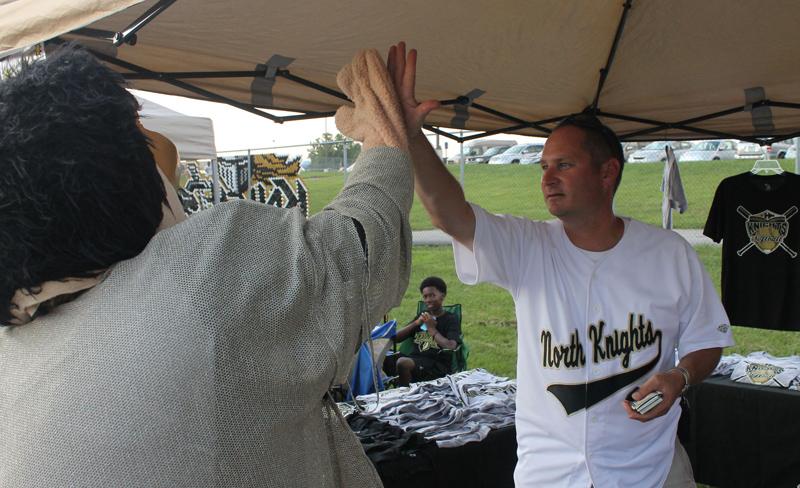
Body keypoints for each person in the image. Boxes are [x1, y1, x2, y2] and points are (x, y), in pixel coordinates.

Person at [0, 45, 434, 487]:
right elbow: (359, 245)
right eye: (139, 136)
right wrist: (384, 133)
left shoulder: (13, 353)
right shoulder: (202, 281)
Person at [385, 41, 734, 488]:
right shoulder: (528, 246)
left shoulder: (669, 254)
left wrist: (679, 376)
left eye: (564, 165)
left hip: (649, 469)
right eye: (544, 165)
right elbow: (449, 214)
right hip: (550, 473)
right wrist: (413, 137)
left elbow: (708, 340)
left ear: (607, 174)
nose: (547, 178)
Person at [384, 276, 461, 386]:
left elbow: (451, 346)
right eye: (425, 296)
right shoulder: (423, 316)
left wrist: (431, 329)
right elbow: (395, 338)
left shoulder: (450, 319)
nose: (428, 300)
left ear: (442, 296)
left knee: (402, 363)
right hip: (415, 359)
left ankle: (405, 394)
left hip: (435, 364)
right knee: (382, 357)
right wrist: (416, 323)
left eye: (432, 295)